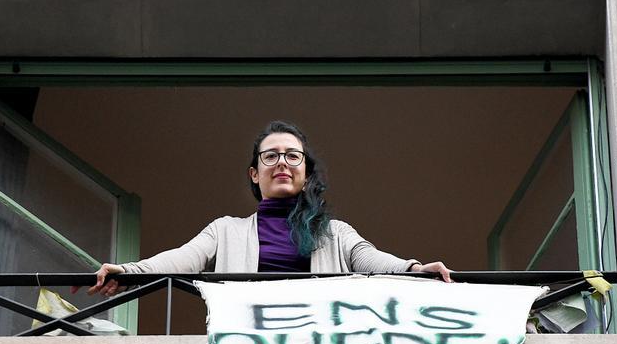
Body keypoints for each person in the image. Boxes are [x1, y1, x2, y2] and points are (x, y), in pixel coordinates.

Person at [84, 120, 451, 296]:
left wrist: (414, 268)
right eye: (271, 156)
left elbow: (370, 260)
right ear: (254, 174)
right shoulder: (225, 230)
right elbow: (183, 258)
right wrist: (130, 270)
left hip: (315, 341)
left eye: (293, 156)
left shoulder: (334, 232)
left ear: (305, 176)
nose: (282, 163)